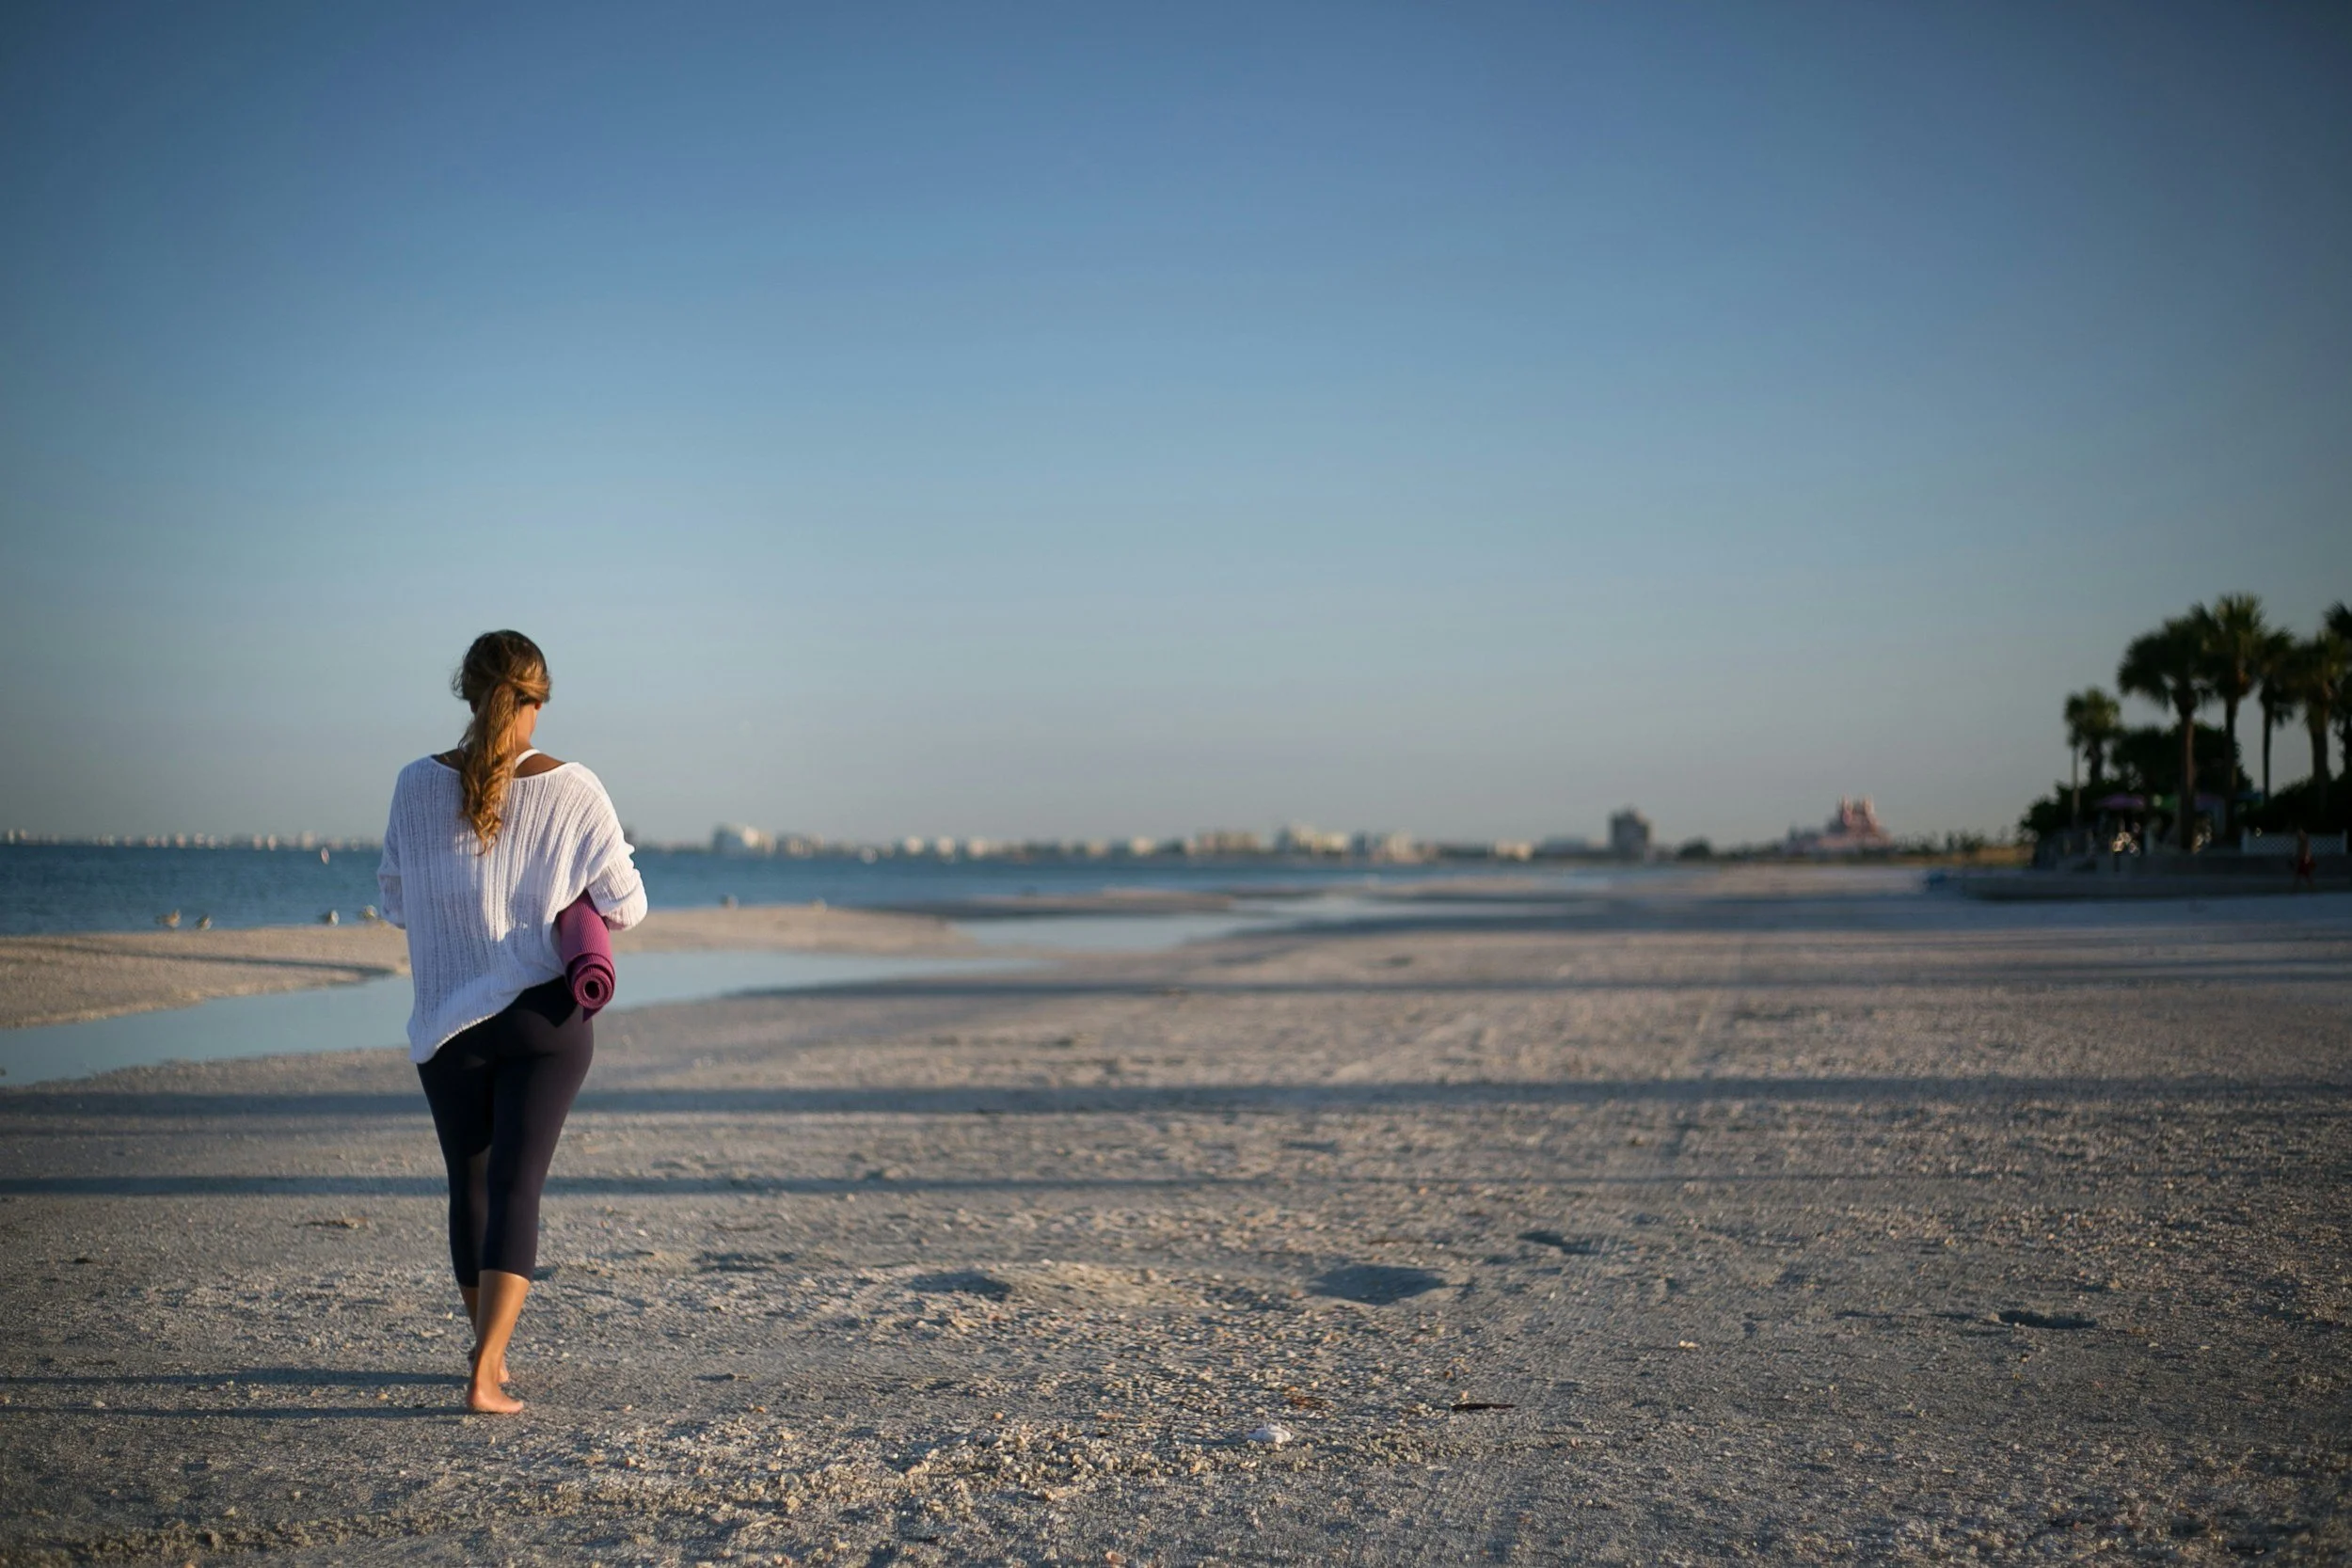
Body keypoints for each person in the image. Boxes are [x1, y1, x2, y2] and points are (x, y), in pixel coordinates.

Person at [377, 630, 645, 1413]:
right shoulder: (576, 787)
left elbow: (395, 901)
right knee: (517, 1182)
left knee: (471, 1184)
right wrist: (560, 899)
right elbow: (626, 904)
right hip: (543, 1017)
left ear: (467, 692)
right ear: (539, 699)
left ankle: (485, 1352)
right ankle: (486, 1367)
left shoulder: (412, 786)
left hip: (446, 1019)